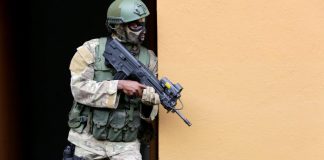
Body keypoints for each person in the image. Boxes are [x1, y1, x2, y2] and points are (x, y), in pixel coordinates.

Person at [65, 0, 159, 159]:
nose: (141, 29)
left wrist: (148, 103)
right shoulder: (90, 50)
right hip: (87, 140)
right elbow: (78, 89)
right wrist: (119, 85)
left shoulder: (149, 59)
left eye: (142, 23)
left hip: (126, 144)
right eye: (134, 25)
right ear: (118, 26)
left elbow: (149, 114)